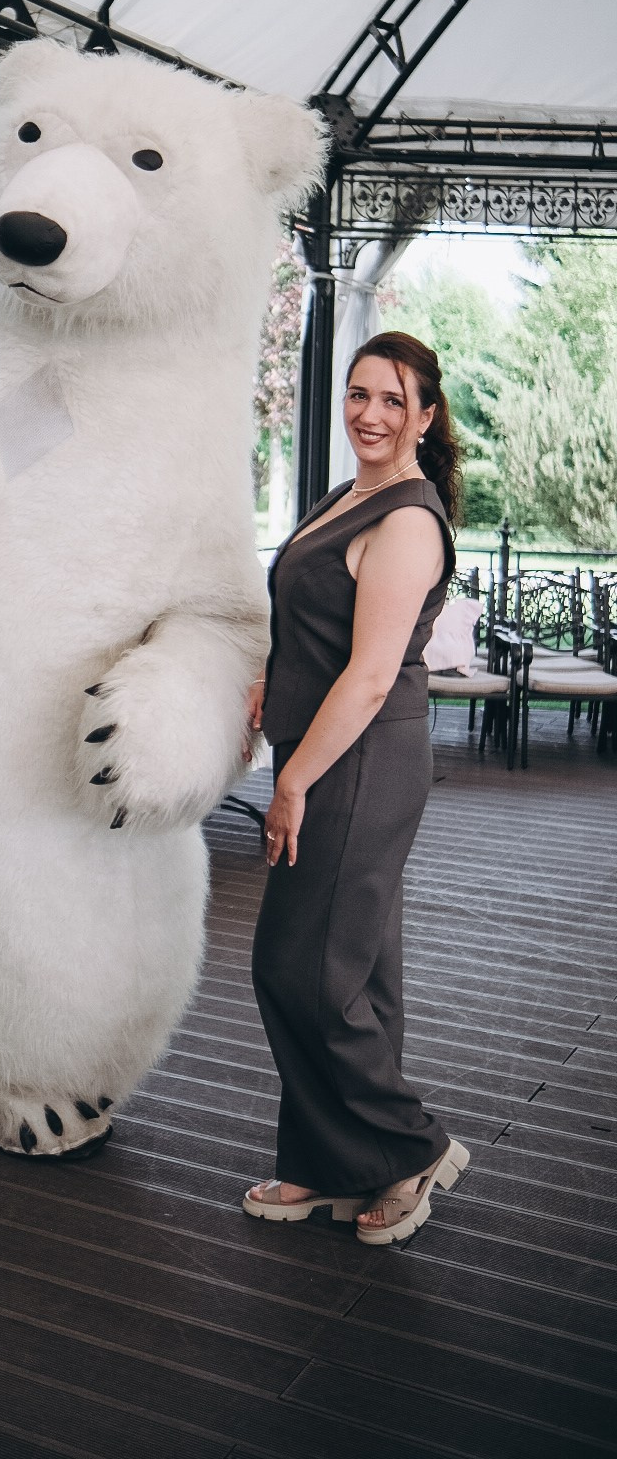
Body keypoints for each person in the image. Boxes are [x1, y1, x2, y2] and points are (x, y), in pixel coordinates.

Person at [243, 331, 469, 1244]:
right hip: (336, 748)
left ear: (424, 414)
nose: (368, 414)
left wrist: (292, 778)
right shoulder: (352, 494)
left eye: (391, 399)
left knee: (301, 968)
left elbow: (372, 675)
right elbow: (315, 618)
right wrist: (276, 671)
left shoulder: (408, 520)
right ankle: (327, 1164)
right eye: (357, 394)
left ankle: (409, 1148)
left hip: (358, 760)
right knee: (357, 970)